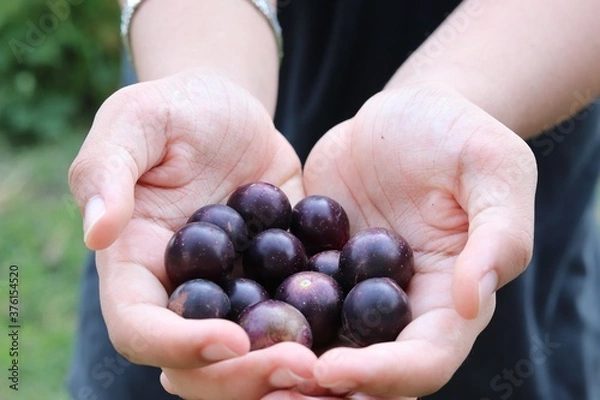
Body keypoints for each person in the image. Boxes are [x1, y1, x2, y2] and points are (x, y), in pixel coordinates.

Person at [67, 0, 600, 399]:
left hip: (468, 165)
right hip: (207, 142)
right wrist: (204, 73)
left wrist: (455, 96)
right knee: (172, 359)